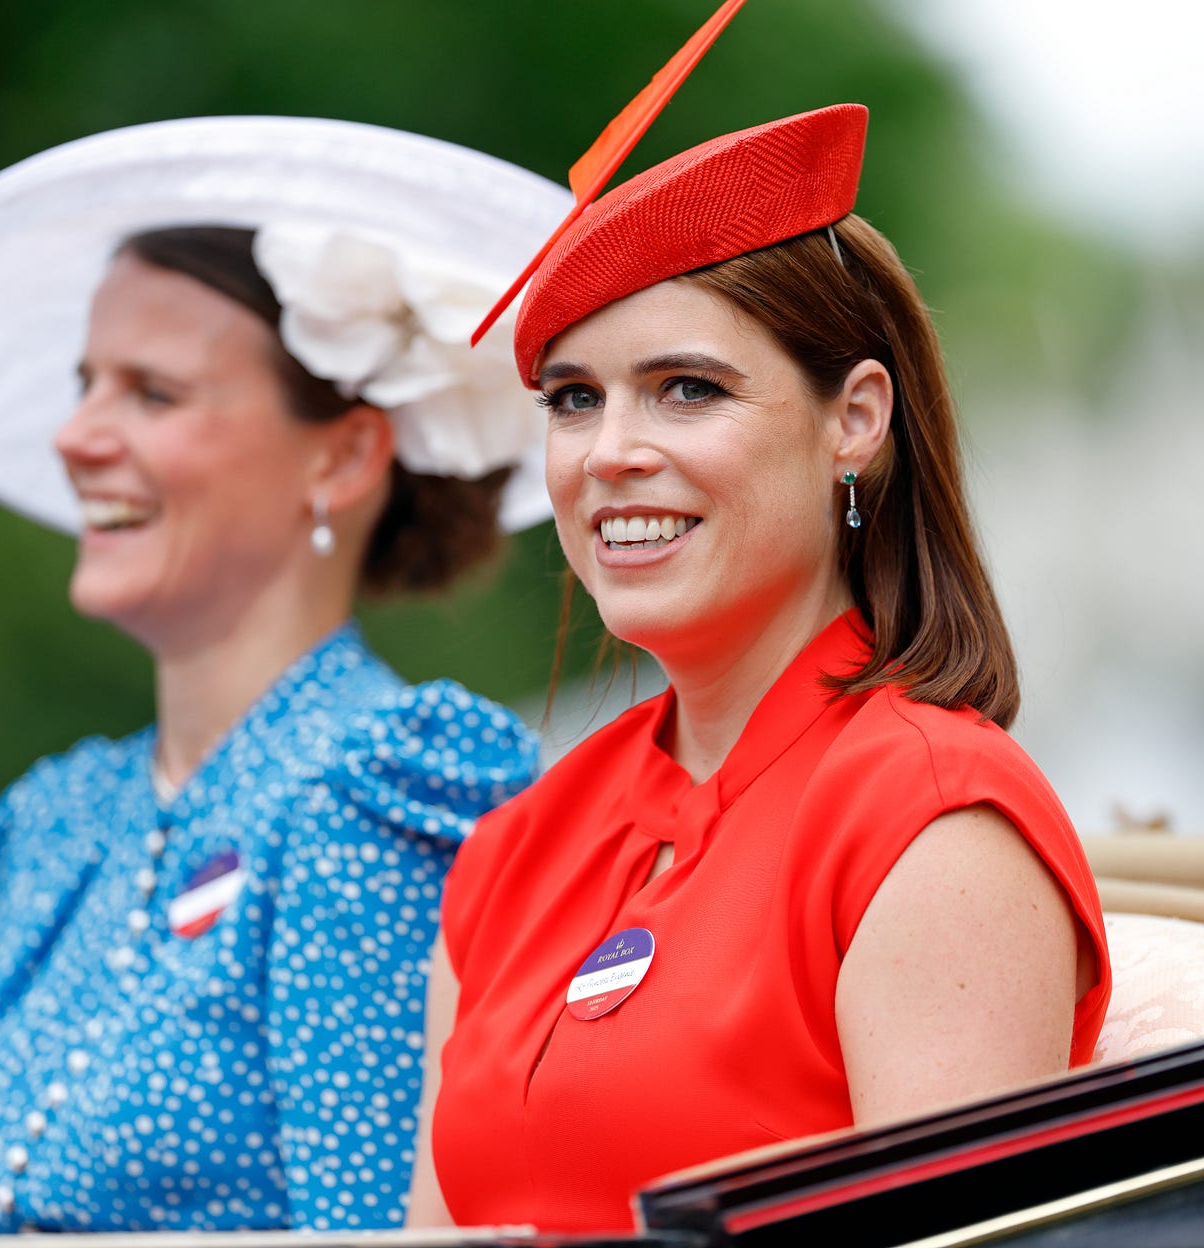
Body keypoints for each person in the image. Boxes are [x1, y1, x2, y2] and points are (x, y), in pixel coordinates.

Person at [406, 103, 1112, 1232]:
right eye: (574, 399)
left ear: (856, 419)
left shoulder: (934, 825)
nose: (610, 452)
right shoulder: (511, 849)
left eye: (687, 388)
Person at [0, 116, 571, 1232]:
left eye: (152, 393)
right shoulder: (52, 818)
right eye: (84, 381)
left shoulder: (376, 790)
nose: (75, 435)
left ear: (340, 457)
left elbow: (372, 1228)